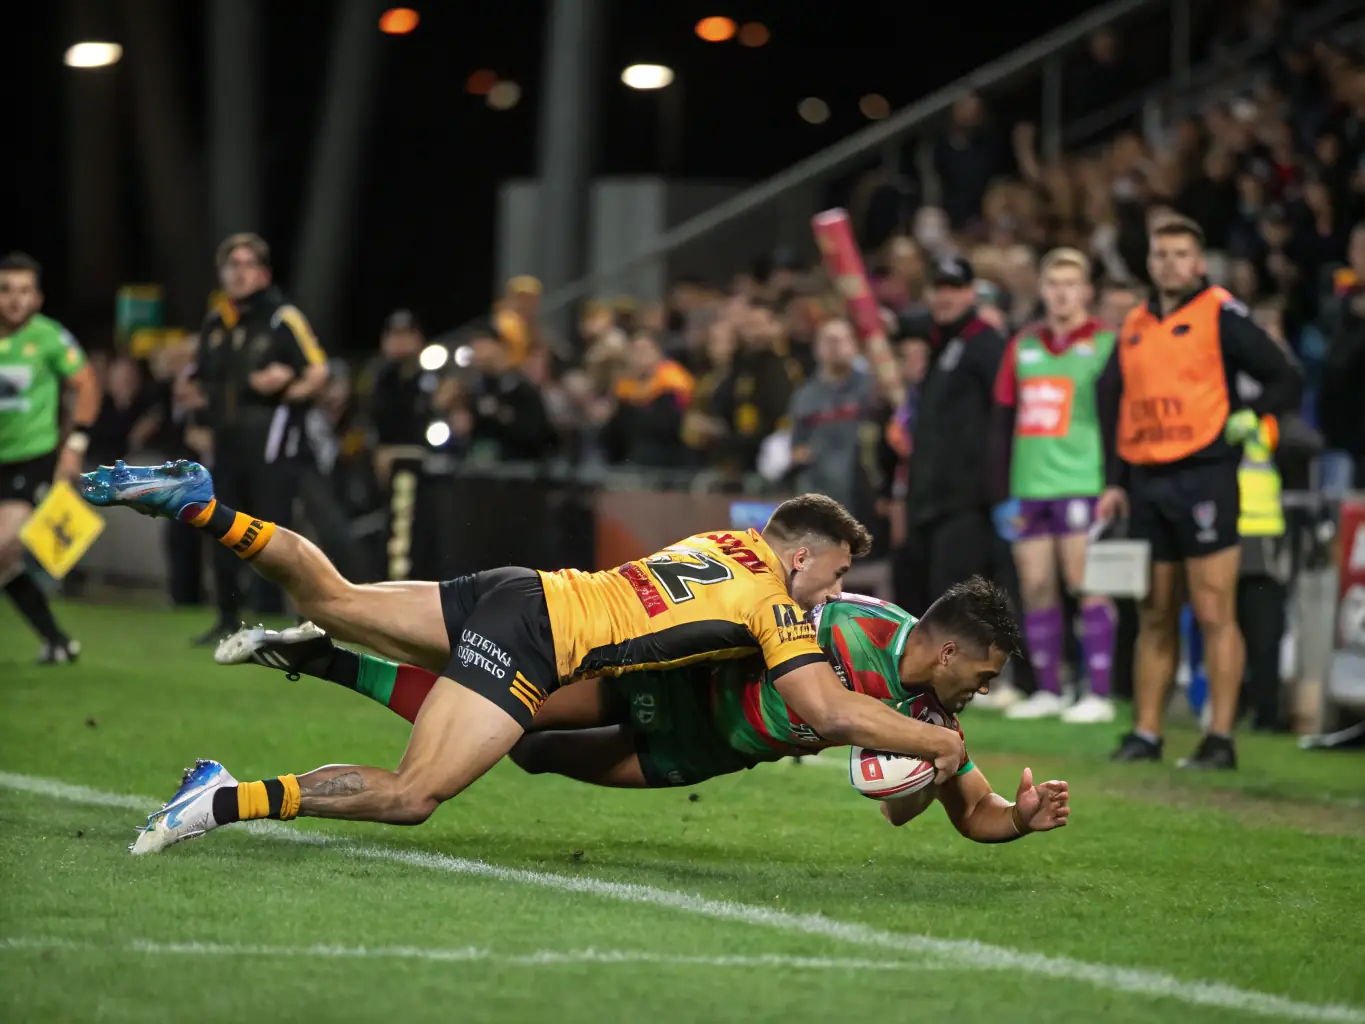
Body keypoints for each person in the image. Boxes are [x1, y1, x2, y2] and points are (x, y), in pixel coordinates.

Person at [76, 468, 968, 853]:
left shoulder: (727, 540)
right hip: (537, 640)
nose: (831, 595)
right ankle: (220, 800)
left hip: (525, 588)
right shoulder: (773, 599)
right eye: (835, 577)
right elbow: (828, 711)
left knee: (333, 600)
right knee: (412, 794)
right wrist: (936, 746)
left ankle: (203, 508)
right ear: (802, 557)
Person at [216, 579, 1069, 841]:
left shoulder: (935, 721)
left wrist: (1018, 818)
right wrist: (925, 746)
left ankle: (322, 656)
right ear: (948, 649)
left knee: (532, 756)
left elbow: (947, 810)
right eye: (983, 676)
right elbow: (836, 711)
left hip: (704, 754)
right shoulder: (845, 624)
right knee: (521, 716)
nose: (981, 694)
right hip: (672, 686)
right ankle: (329, 657)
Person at [1099, 217, 1303, 769]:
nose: (1169, 263)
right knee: (1155, 613)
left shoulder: (1221, 312)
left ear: (1198, 263)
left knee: (1214, 609)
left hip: (1206, 476)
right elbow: (1115, 403)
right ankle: (1146, 733)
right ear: (1149, 263)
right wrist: (1115, 484)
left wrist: (1246, 417)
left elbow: (1287, 376)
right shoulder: (1136, 323)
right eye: (1161, 253)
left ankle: (1219, 738)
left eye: (1181, 254)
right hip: (1148, 481)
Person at [990, 248, 1119, 723]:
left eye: (1071, 283)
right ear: (1042, 290)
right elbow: (1003, 421)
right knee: (1037, 586)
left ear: (1086, 291)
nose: (1061, 292)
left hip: (1084, 482)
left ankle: (1099, 694)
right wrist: (1001, 488)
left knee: (1088, 586)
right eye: (1053, 283)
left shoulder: (1106, 344)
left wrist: (1115, 482)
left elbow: (1116, 417)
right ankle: (1049, 688)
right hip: (1030, 486)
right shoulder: (1022, 346)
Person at [185, 233, 329, 644]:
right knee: (220, 527)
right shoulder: (217, 321)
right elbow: (199, 378)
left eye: (247, 264)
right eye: (232, 265)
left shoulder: (282, 318)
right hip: (225, 442)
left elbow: (318, 372)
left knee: (274, 531)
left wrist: (286, 388)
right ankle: (227, 618)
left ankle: (280, 615)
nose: (239, 272)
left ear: (263, 273)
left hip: (271, 441)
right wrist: (196, 409)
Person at [0, 252, 100, 662]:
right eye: (5, 290)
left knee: (4, 544)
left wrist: (74, 447)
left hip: (31, 458)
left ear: (38, 298)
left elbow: (87, 383)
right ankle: (57, 641)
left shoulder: (49, 337)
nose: (14, 299)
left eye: (24, 291)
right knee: (5, 562)